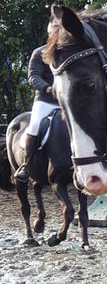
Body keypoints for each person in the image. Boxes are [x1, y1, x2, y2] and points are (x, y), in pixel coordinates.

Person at [14, 24, 59, 182]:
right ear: (50, 34)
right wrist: (47, 88)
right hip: (46, 100)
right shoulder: (40, 52)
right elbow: (33, 76)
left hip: (67, 101)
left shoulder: (69, 53)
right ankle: (26, 166)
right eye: (55, 31)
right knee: (33, 126)